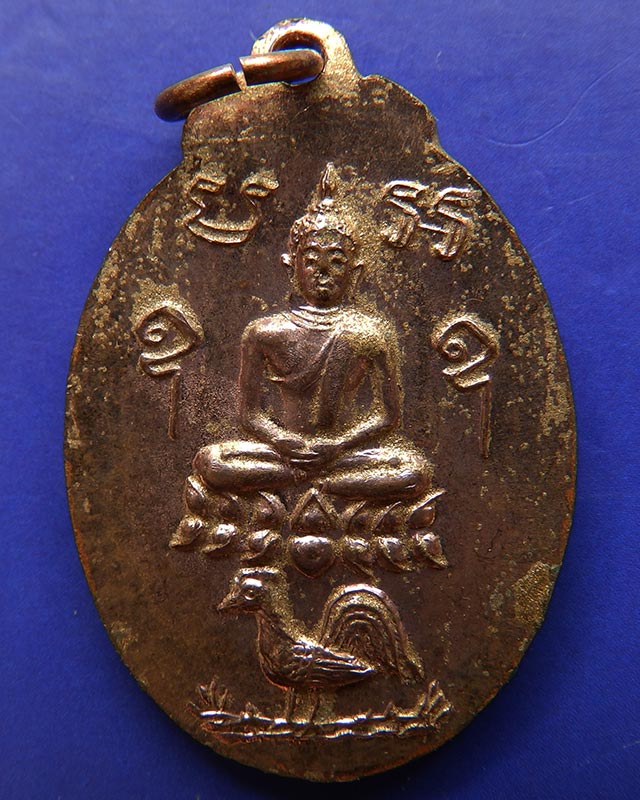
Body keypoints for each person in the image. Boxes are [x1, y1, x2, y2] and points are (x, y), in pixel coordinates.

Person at [192, 164, 432, 503]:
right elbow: (249, 414)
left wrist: (338, 444)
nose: (323, 271)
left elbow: (388, 415)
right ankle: (326, 485)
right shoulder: (264, 332)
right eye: (311, 259)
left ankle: (304, 482)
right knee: (213, 461)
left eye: (336, 260)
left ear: (355, 270)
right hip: (284, 452)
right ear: (292, 266)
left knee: (412, 471)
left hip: (342, 454)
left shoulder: (368, 332)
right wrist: (281, 440)